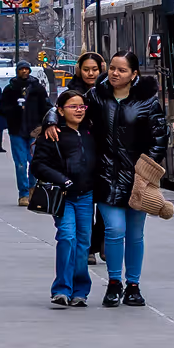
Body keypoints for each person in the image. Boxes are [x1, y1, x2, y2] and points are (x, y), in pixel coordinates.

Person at [48, 50, 166, 307]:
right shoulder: (96, 96)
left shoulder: (147, 101)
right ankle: (114, 283)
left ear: (134, 74)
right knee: (114, 230)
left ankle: (133, 285)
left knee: (135, 234)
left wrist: (146, 170)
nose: (115, 73)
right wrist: (50, 120)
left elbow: (159, 137)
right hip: (105, 176)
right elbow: (69, 107)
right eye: (112, 68)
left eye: (122, 70)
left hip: (138, 179)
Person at [31, 89, 99, 308]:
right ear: (60, 110)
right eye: (73, 107)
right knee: (67, 238)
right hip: (64, 196)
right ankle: (61, 289)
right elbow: (38, 166)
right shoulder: (53, 134)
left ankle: (80, 291)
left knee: (83, 244)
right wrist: (63, 180)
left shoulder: (90, 132)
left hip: (86, 196)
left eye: (82, 106)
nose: (79, 110)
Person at [66, 53, 107, 262]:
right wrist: (50, 123)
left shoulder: (108, 90)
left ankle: (102, 241)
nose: (90, 73)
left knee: (105, 202)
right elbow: (57, 111)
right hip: (81, 151)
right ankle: (89, 247)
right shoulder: (72, 91)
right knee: (85, 203)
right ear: (79, 70)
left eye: (94, 69)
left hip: (106, 152)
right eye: (86, 69)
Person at [1, 62, 51, 206]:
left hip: (34, 130)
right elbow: (2, 108)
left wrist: (43, 124)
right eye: (21, 69)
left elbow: (46, 106)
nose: (24, 71)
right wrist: (14, 109)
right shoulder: (10, 89)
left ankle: (32, 189)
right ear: (17, 71)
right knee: (21, 164)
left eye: (26, 69)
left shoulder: (37, 88)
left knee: (34, 161)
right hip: (16, 130)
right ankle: (23, 194)